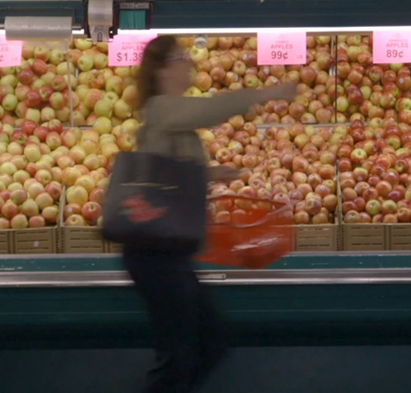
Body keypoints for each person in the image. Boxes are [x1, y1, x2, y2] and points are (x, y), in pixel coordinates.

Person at [123, 35, 296, 393]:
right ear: (161, 71)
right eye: (180, 57)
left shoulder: (169, 115)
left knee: (207, 344)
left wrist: (212, 175)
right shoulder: (161, 109)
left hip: (169, 250)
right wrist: (267, 93)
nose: (188, 62)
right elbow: (210, 110)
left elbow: (167, 174)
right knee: (181, 355)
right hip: (153, 252)